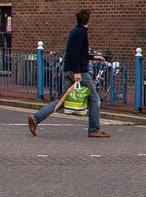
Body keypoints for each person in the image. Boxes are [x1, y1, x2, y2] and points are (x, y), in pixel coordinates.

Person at [30, 9, 108, 137]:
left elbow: (78, 53)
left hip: (68, 70)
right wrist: (77, 72)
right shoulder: (82, 33)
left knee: (64, 100)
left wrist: (93, 57)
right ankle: (94, 130)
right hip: (79, 72)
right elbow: (75, 53)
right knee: (94, 99)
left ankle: (35, 118)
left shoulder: (74, 32)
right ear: (88, 20)